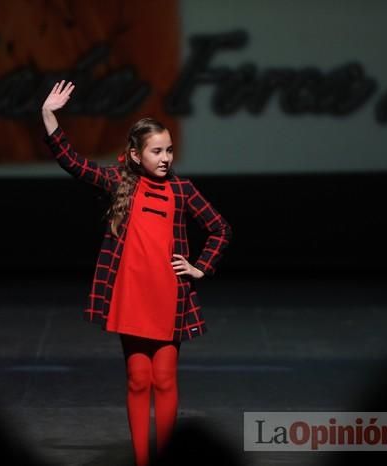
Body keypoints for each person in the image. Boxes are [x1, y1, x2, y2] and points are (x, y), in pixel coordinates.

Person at [41, 80, 232, 466]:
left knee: (164, 379)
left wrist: (200, 267)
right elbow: (72, 162)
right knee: (137, 380)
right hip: (131, 295)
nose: (165, 157)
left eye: (169, 150)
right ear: (135, 154)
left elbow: (220, 227)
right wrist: (48, 114)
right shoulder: (120, 183)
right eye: (156, 151)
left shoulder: (182, 189)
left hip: (168, 295)